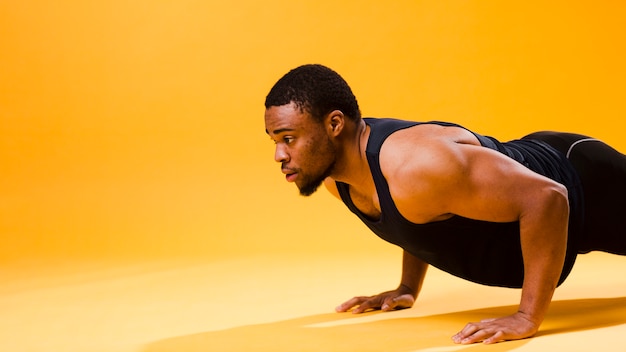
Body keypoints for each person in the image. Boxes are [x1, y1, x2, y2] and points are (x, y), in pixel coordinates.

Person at [263, 64, 626, 344]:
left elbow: (547, 197)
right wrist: (407, 288)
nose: (279, 154)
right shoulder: (339, 180)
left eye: (289, 138)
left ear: (335, 124)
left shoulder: (415, 166)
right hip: (547, 190)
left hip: (585, 180)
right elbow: (417, 216)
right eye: (274, 140)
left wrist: (527, 317)